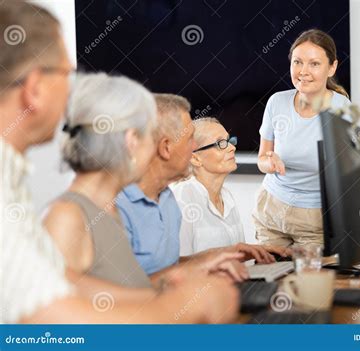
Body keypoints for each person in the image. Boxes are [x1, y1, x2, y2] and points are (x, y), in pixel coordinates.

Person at [0, 1, 238, 324]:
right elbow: (42, 321)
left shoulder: (12, 179)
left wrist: (169, 288)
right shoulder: (44, 206)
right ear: (34, 89)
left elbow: (61, 284)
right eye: (67, 74)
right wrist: (185, 305)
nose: (73, 90)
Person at [117, 95, 283, 282]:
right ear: (166, 147)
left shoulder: (166, 199)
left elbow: (171, 266)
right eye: (189, 140)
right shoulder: (120, 206)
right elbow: (125, 287)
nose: (193, 148)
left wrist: (233, 252)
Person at [253, 29, 351, 247]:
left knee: (309, 280)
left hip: (315, 219)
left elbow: (348, 174)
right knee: (269, 278)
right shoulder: (276, 102)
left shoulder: (342, 109)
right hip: (271, 210)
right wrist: (269, 162)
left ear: (332, 67)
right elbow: (262, 159)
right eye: (297, 62)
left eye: (314, 64)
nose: (303, 71)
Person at [172, 117, 290, 260]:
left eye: (229, 140)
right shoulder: (181, 199)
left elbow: (234, 258)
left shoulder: (227, 197)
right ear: (195, 158)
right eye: (220, 143)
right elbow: (176, 266)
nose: (232, 147)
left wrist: (259, 253)